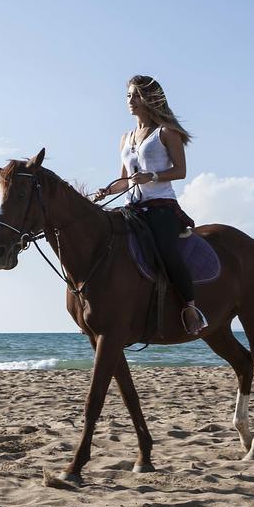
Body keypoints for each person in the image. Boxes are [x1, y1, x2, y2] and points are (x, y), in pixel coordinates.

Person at [91, 75, 207, 335]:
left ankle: (190, 308)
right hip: (131, 208)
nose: (130, 101)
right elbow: (124, 181)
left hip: (161, 206)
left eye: (136, 95)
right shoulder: (125, 137)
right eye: (128, 96)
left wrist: (152, 176)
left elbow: (181, 171)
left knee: (167, 251)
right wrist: (106, 190)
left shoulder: (167, 133)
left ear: (150, 99)